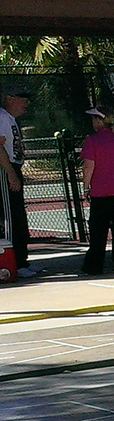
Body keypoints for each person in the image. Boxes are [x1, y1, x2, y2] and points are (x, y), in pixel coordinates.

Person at [79, 108, 114, 275]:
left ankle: (94, 265)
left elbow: (88, 167)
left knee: (98, 231)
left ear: (99, 121)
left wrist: (86, 187)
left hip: (101, 192)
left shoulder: (92, 140)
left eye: (94, 119)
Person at [1, 85, 33, 278]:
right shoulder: (2, 118)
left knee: (18, 216)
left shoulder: (10, 119)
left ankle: (22, 260)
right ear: (10, 98)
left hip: (14, 168)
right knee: (10, 218)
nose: (26, 103)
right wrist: (10, 172)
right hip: (6, 170)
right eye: (23, 99)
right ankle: (15, 263)